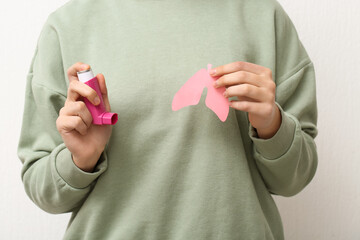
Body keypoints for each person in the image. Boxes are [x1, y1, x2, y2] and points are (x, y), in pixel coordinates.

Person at [17, 0, 318, 239]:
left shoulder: (265, 17)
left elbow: (295, 179)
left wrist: (272, 125)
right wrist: (81, 159)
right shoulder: (69, 25)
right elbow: (44, 191)